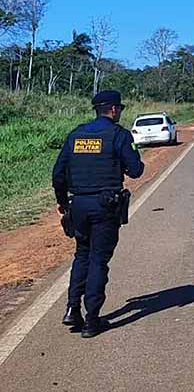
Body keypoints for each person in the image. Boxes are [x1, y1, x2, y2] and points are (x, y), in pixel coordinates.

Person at [52, 90, 144, 338]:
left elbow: (58, 174)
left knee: (81, 255)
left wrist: (63, 204)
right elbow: (136, 171)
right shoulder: (120, 135)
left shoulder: (76, 135)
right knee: (97, 260)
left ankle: (72, 309)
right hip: (104, 206)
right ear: (114, 110)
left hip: (78, 205)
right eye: (120, 109)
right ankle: (92, 320)